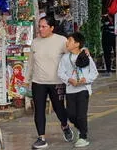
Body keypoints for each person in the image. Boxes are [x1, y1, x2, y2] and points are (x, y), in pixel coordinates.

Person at [27, 16, 75, 149]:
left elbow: (71, 57)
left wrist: (83, 53)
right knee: (39, 110)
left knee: (59, 108)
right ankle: (41, 137)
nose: (40, 29)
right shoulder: (35, 42)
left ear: (52, 28)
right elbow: (30, 63)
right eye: (39, 26)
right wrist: (26, 80)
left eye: (44, 27)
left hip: (57, 82)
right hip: (38, 81)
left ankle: (65, 126)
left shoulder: (61, 41)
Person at [57, 32, 98, 148]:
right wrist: (69, 80)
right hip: (70, 90)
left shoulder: (85, 56)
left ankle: (83, 137)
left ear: (77, 44)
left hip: (83, 89)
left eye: (69, 40)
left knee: (81, 115)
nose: (67, 42)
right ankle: (80, 128)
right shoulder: (65, 58)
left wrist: (86, 79)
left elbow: (94, 72)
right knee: (71, 114)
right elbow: (60, 72)